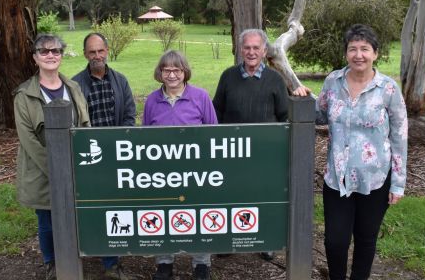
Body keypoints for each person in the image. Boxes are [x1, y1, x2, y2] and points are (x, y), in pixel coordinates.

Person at [293, 24, 408, 280]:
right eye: (353, 49)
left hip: (375, 180)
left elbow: (400, 137)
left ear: (375, 53)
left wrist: (398, 184)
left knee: (366, 240)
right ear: (346, 53)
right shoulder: (333, 81)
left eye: (365, 49)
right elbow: (320, 114)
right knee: (335, 241)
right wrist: (303, 98)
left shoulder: (387, 89)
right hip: (338, 177)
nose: (359, 55)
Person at [13, 34, 90, 280]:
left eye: (55, 51)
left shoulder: (74, 88)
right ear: (35, 57)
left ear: (61, 55)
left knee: (78, 216)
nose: (50, 56)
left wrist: (81, 164)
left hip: (76, 167)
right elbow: (28, 141)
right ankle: (52, 263)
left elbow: (84, 126)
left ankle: (77, 257)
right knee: (47, 219)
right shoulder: (24, 95)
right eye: (44, 52)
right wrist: (58, 171)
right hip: (42, 170)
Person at [212, 28, 289, 261]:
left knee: (263, 196)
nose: (251, 52)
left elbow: (283, 115)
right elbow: (217, 111)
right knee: (231, 195)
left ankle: (265, 241)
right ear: (240, 50)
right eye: (247, 47)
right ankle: (228, 240)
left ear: (265, 51)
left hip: (265, 152)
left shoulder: (275, 80)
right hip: (231, 151)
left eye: (256, 48)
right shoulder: (228, 76)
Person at [143, 50, 217, 280]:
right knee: (163, 214)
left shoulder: (201, 97)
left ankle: (201, 263)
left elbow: (214, 133)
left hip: (196, 172)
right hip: (162, 173)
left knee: (198, 214)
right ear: (160, 73)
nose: (172, 74)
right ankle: (164, 262)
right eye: (167, 70)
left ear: (185, 72)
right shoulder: (152, 100)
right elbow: (144, 138)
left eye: (177, 70)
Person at [72, 32, 136, 279]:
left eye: (100, 51)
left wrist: (120, 143)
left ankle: (112, 263)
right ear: (85, 54)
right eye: (92, 52)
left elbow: (130, 114)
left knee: (114, 207)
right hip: (90, 157)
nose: (97, 56)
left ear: (107, 51)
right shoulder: (76, 84)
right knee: (90, 207)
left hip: (116, 154)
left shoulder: (120, 81)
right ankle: (88, 250)